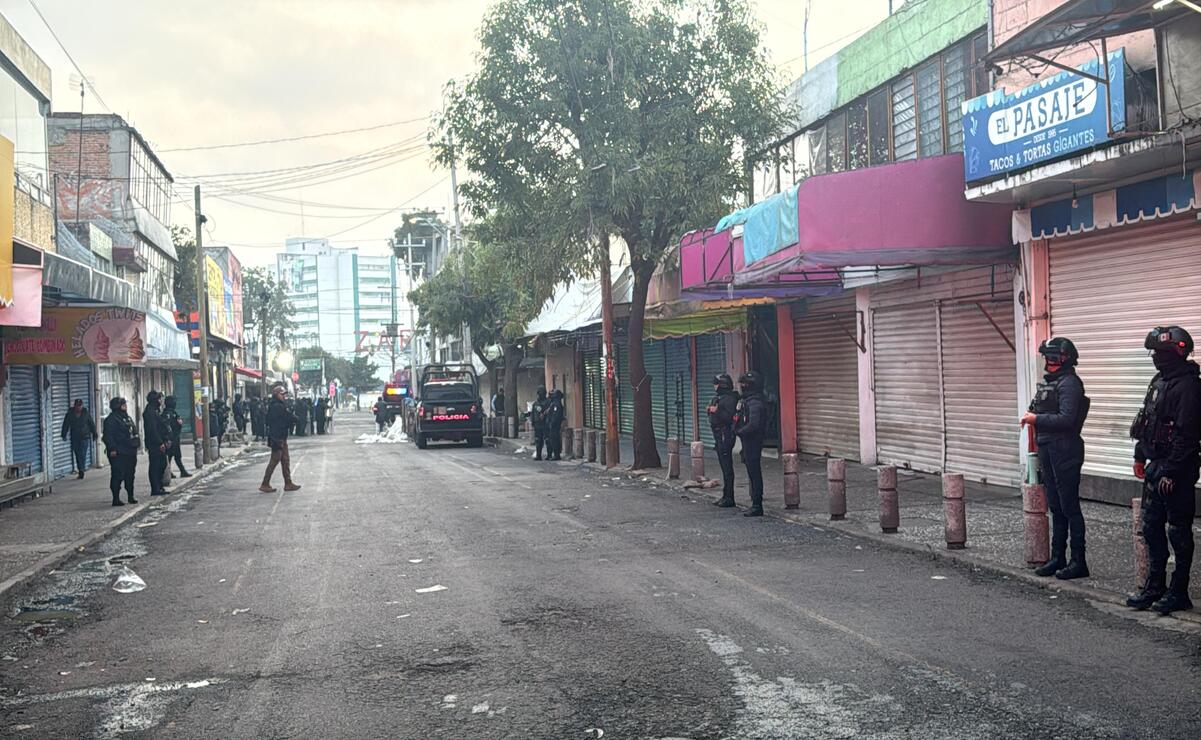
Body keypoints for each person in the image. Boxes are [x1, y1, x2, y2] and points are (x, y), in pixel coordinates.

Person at [1126, 325, 1200, 615]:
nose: (1156, 357)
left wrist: (1171, 470)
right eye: (1153, 352)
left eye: (1160, 352)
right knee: (1150, 527)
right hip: (1156, 466)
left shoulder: (1190, 386)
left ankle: (1179, 591)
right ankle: (1154, 585)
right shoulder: (1159, 381)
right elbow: (1147, 420)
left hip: (1176, 470)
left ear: (1175, 353)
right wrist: (1139, 455)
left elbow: (1187, 434)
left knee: (1178, 532)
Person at [1022, 337, 1091, 580]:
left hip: (1065, 449)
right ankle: (1057, 557)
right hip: (1048, 448)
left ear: (1063, 359)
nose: (1048, 363)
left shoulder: (1070, 384)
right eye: (1046, 357)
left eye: (1052, 358)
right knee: (1056, 506)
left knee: (1069, 506)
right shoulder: (1048, 384)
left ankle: (1078, 561)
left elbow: (1067, 419)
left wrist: (1035, 420)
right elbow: (1035, 411)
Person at [733, 371, 767, 517]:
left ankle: (757, 505)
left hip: (753, 441)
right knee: (751, 472)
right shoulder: (747, 401)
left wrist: (740, 432)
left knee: (754, 473)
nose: (742, 387)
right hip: (748, 441)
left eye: (745, 384)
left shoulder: (755, 403)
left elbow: (754, 424)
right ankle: (755, 502)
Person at [261, 384, 302, 493]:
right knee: (274, 460)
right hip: (277, 437)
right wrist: (295, 419)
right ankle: (265, 483)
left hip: (281, 436)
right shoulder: (276, 406)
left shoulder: (279, 405)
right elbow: (287, 416)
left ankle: (288, 483)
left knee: (285, 460)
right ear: (276, 394)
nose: (284, 396)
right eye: (282, 394)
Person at [707, 374, 740, 508]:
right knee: (724, 466)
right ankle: (726, 495)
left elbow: (728, 418)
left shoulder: (729, 399)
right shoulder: (720, 398)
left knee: (727, 467)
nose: (715, 386)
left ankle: (729, 497)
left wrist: (717, 411)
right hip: (719, 435)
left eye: (716, 384)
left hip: (725, 434)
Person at [102, 397, 139, 506]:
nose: (125, 407)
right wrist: (112, 448)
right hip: (119, 452)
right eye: (123, 405)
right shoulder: (111, 420)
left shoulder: (127, 418)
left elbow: (133, 431)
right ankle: (116, 498)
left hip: (130, 451)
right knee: (118, 475)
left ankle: (130, 495)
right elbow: (107, 437)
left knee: (130, 474)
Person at [60, 399, 98, 479]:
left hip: (85, 437)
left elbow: (91, 423)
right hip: (75, 437)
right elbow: (65, 425)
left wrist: (94, 433)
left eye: (80, 406)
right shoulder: (70, 414)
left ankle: (81, 469)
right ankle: (81, 469)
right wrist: (64, 434)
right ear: (75, 406)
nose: (79, 408)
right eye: (77, 406)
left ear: (82, 406)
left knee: (82, 453)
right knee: (77, 454)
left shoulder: (85, 413)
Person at [142, 391, 170, 496]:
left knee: (162, 464)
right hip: (154, 443)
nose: (160, 401)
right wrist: (159, 443)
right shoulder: (150, 412)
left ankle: (160, 485)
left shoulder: (156, 410)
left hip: (160, 441)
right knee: (155, 465)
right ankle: (155, 488)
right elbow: (153, 430)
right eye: (159, 399)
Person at [161, 395, 191, 478]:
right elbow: (167, 426)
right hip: (171, 438)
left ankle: (181, 471)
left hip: (175, 437)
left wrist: (179, 423)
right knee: (170, 456)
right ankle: (168, 473)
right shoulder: (167, 413)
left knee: (177, 456)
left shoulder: (173, 412)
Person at [529, 387, 550, 460]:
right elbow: (533, 414)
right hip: (537, 424)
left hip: (545, 424)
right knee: (538, 440)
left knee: (547, 439)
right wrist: (533, 422)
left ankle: (549, 455)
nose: (539, 395)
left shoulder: (548, 402)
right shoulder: (535, 403)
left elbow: (549, 413)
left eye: (540, 394)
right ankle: (538, 455)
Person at [546, 389, 566, 461]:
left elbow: (555, 415)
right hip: (553, 425)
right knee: (553, 439)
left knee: (554, 439)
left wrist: (552, 423)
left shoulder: (556, 404)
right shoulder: (554, 403)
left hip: (555, 425)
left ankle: (556, 455)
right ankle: (555, 454)